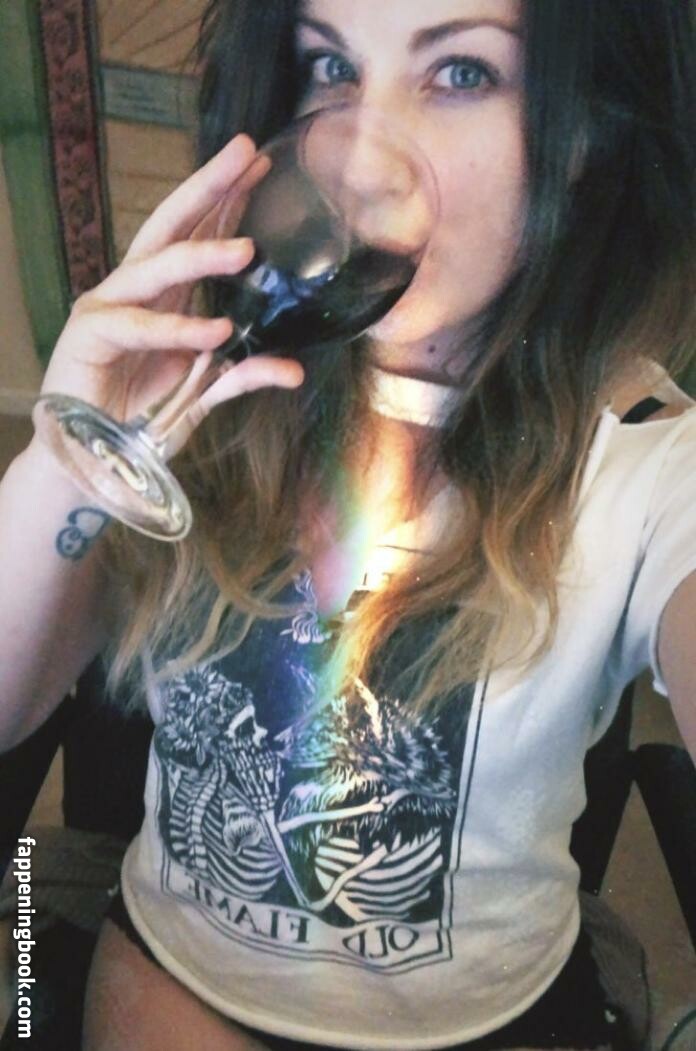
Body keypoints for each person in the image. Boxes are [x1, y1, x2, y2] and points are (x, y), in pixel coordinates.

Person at [1, 0, 695, 1048]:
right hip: (180, 985)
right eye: (330, 66)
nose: (361, 166)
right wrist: (71, 462)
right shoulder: (199, 384)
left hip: (488, 1018)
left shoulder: (643, 451)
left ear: (582, 132)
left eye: (462, 73)